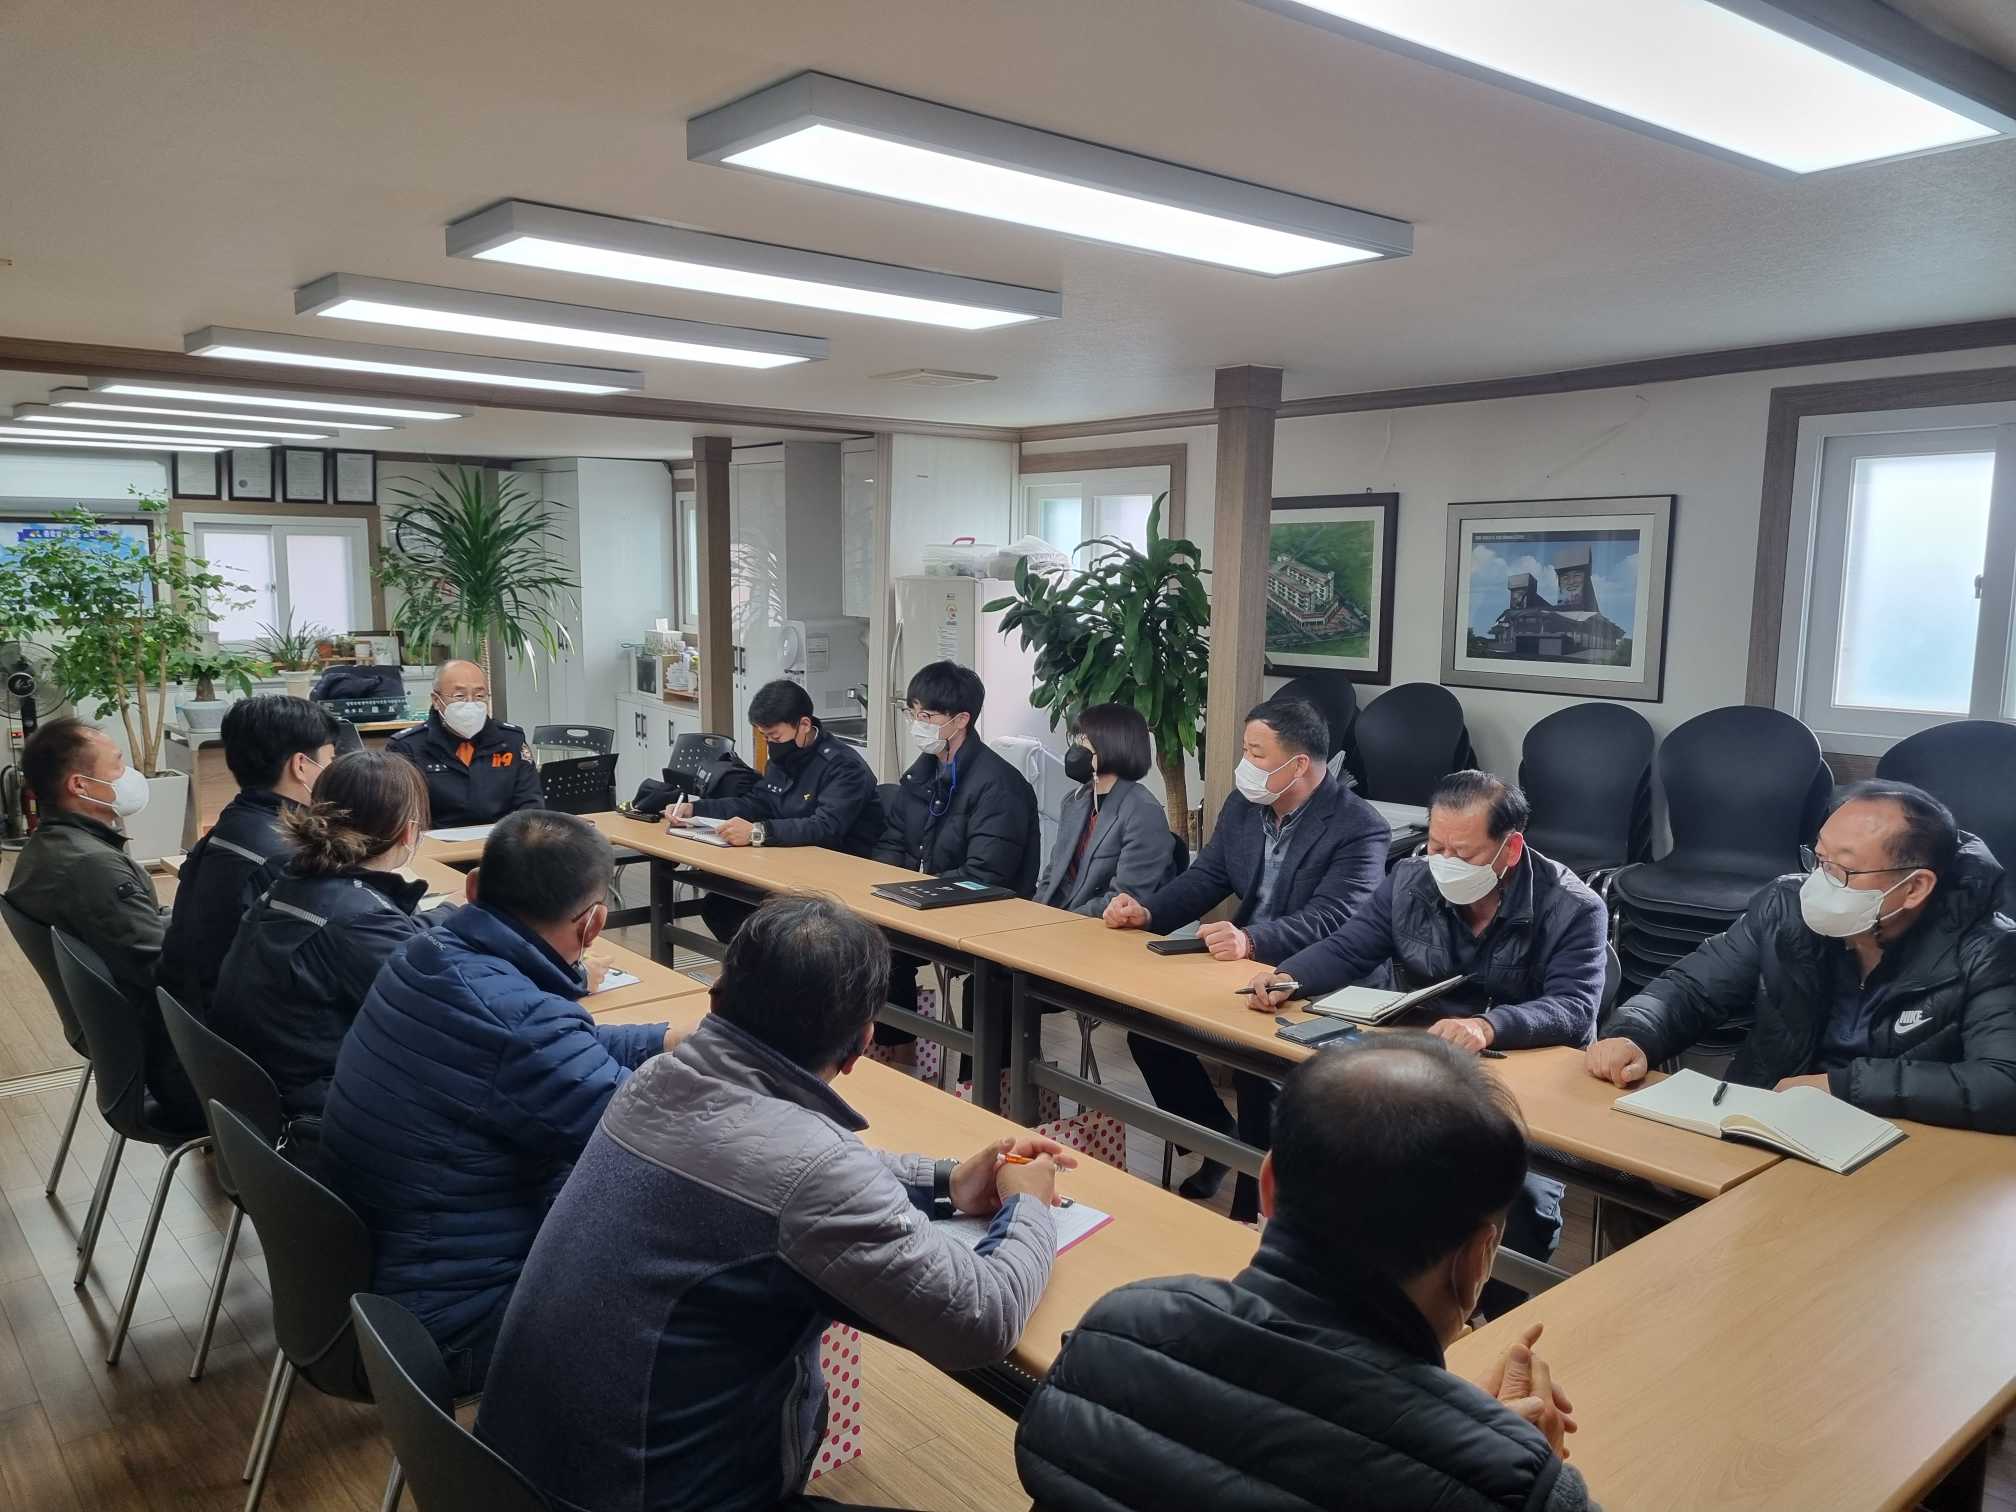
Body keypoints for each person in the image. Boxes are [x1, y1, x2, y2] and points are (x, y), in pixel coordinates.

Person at [477, 894, 1066, 1511]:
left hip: (509, 1479)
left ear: (716, 999)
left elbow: (779, 1161)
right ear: (862, 1045)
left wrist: (945, 1181)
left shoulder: (654, 1080)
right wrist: (1027, 1204)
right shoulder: (810, 1171)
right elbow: (982, 1322)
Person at [1014, 1034, 1593, 1512]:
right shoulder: (1511, 1485)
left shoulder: (1117, 1329)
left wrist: (1466, 1437)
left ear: (1267, 1187)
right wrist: (1510, 1467)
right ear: (1477, 1260)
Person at [318, 809, 678, 1389]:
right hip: (455, 1321)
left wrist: (662, 1040)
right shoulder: (521, 1024)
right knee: (708, 1281)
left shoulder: (425, 954)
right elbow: (653, 1145)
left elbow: (553, 1050)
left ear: (473, 887)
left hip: (378, 1277)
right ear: (593, 924)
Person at [1247, 770, 1607, 1310]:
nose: (1443, 861)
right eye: (1436, 845)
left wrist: (1488, 1025)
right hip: (1428, 1068)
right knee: (1352, 1154)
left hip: (1524, 1080)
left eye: (1462, 853)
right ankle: (1389, 1305)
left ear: (1510, 849)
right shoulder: (1409, 881)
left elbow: (1574, 1008)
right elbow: (1349, 948)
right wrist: (1289, 977)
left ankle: (1496, 1316)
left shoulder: (1574, 907)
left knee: (1522, 1202)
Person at [1587, 779, 2016, 1133]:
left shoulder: (1990, 950)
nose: (1820, 882)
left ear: (1915, 888)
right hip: (1766, 1123)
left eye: (1843, 870)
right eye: (1820, 859)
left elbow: (2003, 1083)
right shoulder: (1786, 906)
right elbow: (1692, 988)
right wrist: (1635, 1032)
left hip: (1895, 1146)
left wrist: (1844, 1087)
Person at [1104, 698, 1389, 1215]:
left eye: (1256, 754)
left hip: (1317, 980)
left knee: (1260, 1071)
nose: (1245, 765)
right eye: (1245, 750)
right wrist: (1147, 912)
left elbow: (1334, 919)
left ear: (1297, 765)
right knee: (1149, 1033)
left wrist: (1252, 941)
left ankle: (1249, 1216)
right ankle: (1220, 1140)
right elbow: (1207, 877)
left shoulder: (1360, 826)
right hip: (1239, 970)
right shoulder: (1244, 806)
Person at [210, 751, 433, 1126]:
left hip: (262, 1099)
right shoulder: (359, 920)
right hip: (319, 1116)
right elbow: (440, 1007)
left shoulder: (293, 878)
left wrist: (447, 918)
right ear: (408, 831)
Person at [5, 718, 200, 1126]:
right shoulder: (90, 866)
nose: (129, 775)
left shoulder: (52, 847)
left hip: (123, 1037)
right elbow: (163, 969)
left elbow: (138, 933)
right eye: (118, 764)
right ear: (80, 785)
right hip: (169, 1058)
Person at [869, 661, 1040, 1072]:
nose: (917, 723)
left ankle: (976, 1090)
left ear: (961, 720)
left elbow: (986, 876)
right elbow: (893, 842)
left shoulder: (999, 785)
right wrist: (884, 888)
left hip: (986, 918)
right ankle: (899, 1064)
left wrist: (915, 892)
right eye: (912, 712)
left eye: (927, 715)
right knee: (870, 944)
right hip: (925, 907)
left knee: (988, 985)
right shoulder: (922, 773)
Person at [156, 694, 339, 1016]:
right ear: (300, 765)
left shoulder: (232, 822)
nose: (335, 771)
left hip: (194, 1014)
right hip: (245, 1025)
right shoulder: (290, 857)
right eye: (330, 759)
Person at [666, 677, 884, 945]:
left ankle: (775, 966)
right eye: (765, 736)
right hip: (791, 864)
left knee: (746, 916)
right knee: (720, 906)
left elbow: (825, 827)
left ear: (804, 725)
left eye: (775, 736)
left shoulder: (843, 766)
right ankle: (760, 967)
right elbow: (758, 803)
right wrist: (695, 809)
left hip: (837, 874)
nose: (770, 743)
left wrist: (758, 832)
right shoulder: (784, 759)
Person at [1032, 701, 1178, 917]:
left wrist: (1062, 924)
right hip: (1058, 921)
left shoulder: (1143, 812)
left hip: (1097, 926)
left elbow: (1125, 897)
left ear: (1112, 743)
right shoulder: (1074, 801)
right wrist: (1034, 914)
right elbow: (1053, 875)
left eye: (1084, 738)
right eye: (1078, 737)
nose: (1077, 746)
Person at [387, 658, 543, 829]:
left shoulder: (510, 740)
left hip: (503, 838)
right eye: (460, 696)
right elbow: (404, 817)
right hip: (437, 841)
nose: (470, 703)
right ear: (436, 701)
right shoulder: (407, 747)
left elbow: (531, 804)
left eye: (479, 696)